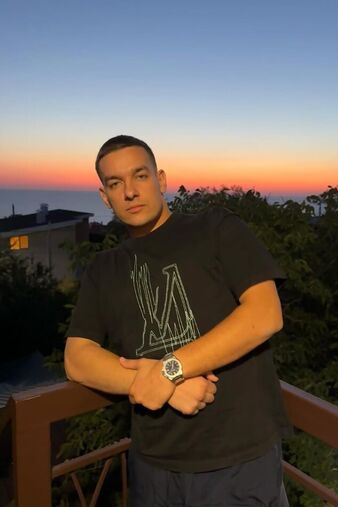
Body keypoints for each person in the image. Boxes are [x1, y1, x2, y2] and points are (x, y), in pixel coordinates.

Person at [65, 135, 292, 507]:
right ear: (105, 197)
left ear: (161, 180)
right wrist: (155, 382)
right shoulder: (103, 269)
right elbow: (77, 358)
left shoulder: (215, 228)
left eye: (140, 176)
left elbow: (265, 313)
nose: (130, 191)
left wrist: (171, 369)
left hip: (238, 459)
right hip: (152, 466)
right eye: (116, 183)